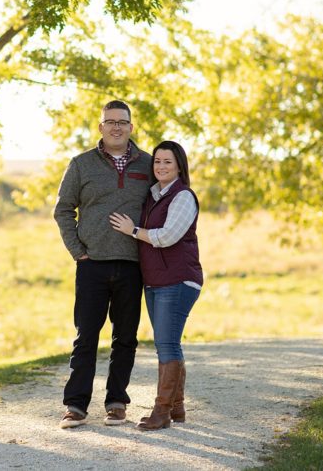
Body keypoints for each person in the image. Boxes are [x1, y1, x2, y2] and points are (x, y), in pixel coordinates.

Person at [54, 100, 153, 428]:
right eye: (109, 122)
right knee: (86, 336)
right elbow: (63, 209)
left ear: (131, 127)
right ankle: (76, 405)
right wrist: (77, 250)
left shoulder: (149, 165)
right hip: (92, 263)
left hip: (132, 263)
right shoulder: (81, 164)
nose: (116, 127)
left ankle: (116, 402)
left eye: (122, 122)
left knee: (125, 337)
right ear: (100, 127)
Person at [109, 140, 202, 430]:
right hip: (156, 281)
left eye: (168, 162)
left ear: (179, 167)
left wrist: (133, 230)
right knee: (170, 342)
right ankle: (177, 408)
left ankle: (161, 412)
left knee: (166, 344)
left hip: (178, 280)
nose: (161, 166)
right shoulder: (154, 196)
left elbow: (167, 236)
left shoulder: (183, 196)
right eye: (157, 161)